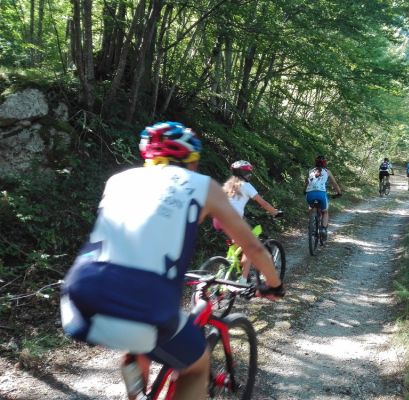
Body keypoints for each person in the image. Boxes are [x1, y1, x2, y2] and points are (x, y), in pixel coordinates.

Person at [60, 122, 285, 400]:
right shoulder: (202, 185)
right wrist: (273, 285)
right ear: (192, 160)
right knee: (195, 366)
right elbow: (252, 246)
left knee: (137, 343)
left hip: (79, 297)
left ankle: (135, 394)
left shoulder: (119, 180)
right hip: (144, 302)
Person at [214, 160, 281, 282]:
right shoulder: (246, 185)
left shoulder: (228, 184)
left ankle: (227, 268)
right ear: (243, 173)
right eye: (248, 172)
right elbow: (263, 203)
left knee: (236, 245)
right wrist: (275, 212)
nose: (250, 175)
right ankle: (243, 280)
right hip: (232, 220)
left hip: (218, 219)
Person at [303, 155, 342, 240]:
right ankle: (323, 230)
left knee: (310, 207)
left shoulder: (310, 171)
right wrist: (339, 193)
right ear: (325, 163)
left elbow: (306, 182)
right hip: (321, 194)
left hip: (310, 194)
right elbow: (334, 184)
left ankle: (311, 224)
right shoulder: (327, 171)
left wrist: (304, 191)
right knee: (325, 212)